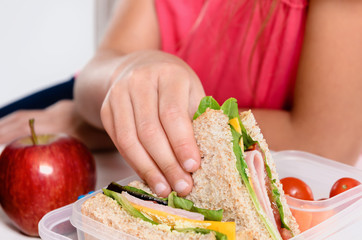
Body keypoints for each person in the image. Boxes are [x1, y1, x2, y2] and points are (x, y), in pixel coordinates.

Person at [0, 0, 361, 198]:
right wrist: (129, 69)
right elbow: (105, 61)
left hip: (234, 134)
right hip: (111, 98)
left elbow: (324, 141)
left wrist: (106, 127)